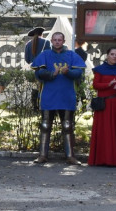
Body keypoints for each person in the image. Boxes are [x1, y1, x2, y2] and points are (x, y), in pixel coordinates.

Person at [31, 31, 86, 164]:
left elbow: (79, 73)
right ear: (51, 41)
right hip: (49, 95)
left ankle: (70, 156)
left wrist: (69, 72)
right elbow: (38, 72)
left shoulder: (71, 55)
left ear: (63, 41)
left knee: (67, 126)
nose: (57, 42)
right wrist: (51, 74)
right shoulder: (45, 54)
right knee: (45, 125)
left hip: (66, 96)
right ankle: (42, 155)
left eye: (59, 40)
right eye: (55, 39)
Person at [88, 47, 116, 167]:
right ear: (107, 56)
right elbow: (96, 85)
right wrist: (108, 84)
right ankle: (102, 159)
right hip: (104, 105)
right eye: (112, 54)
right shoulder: (100, 69)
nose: (114, 57)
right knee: (104, 130)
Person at [23, 27, 51, 111]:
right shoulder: (46, 42)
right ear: (42, 34)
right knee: (44, 88)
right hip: (43, 69)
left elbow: (27, 59)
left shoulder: (28, 44)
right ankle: (43, 106)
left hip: (33, 70)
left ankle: (35, 107)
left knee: (34, 88)